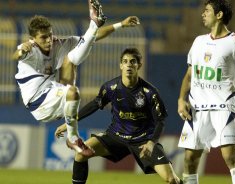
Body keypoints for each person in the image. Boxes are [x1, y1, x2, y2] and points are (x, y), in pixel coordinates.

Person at [14, 0, 140, 156]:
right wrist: (21, 51)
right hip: (38, 103)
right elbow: (17, 55)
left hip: (55, 95)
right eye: (43, 37)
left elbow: (89, 39)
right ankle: (73, 138)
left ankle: (94, 24)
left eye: (50, 35)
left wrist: (120, 24)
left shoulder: (56, 44)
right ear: (33, 38)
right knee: (73, 93)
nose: (48, 40)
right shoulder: (29, 49)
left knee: (70, 60)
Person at [55, 48, 183, 184]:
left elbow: (160, 121)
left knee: (172, 180)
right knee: (81, 153)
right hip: (116, 136)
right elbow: (94, 105)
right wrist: (69, 123)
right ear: (120, 65)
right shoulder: (110, 88)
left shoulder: (150, 92)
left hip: (143, 140)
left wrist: (151, 143)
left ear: (138, 65)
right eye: (125, 61)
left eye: (132, 62)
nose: (128, 65)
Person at [177, 0, 235, 184]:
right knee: (189, 160)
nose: (203, 14)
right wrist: (181, 99)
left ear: (219, 15)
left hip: (224, 107)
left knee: (230, 158)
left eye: (207, 10)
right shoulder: (198, 41)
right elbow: (189, 76)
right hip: (197, 109)